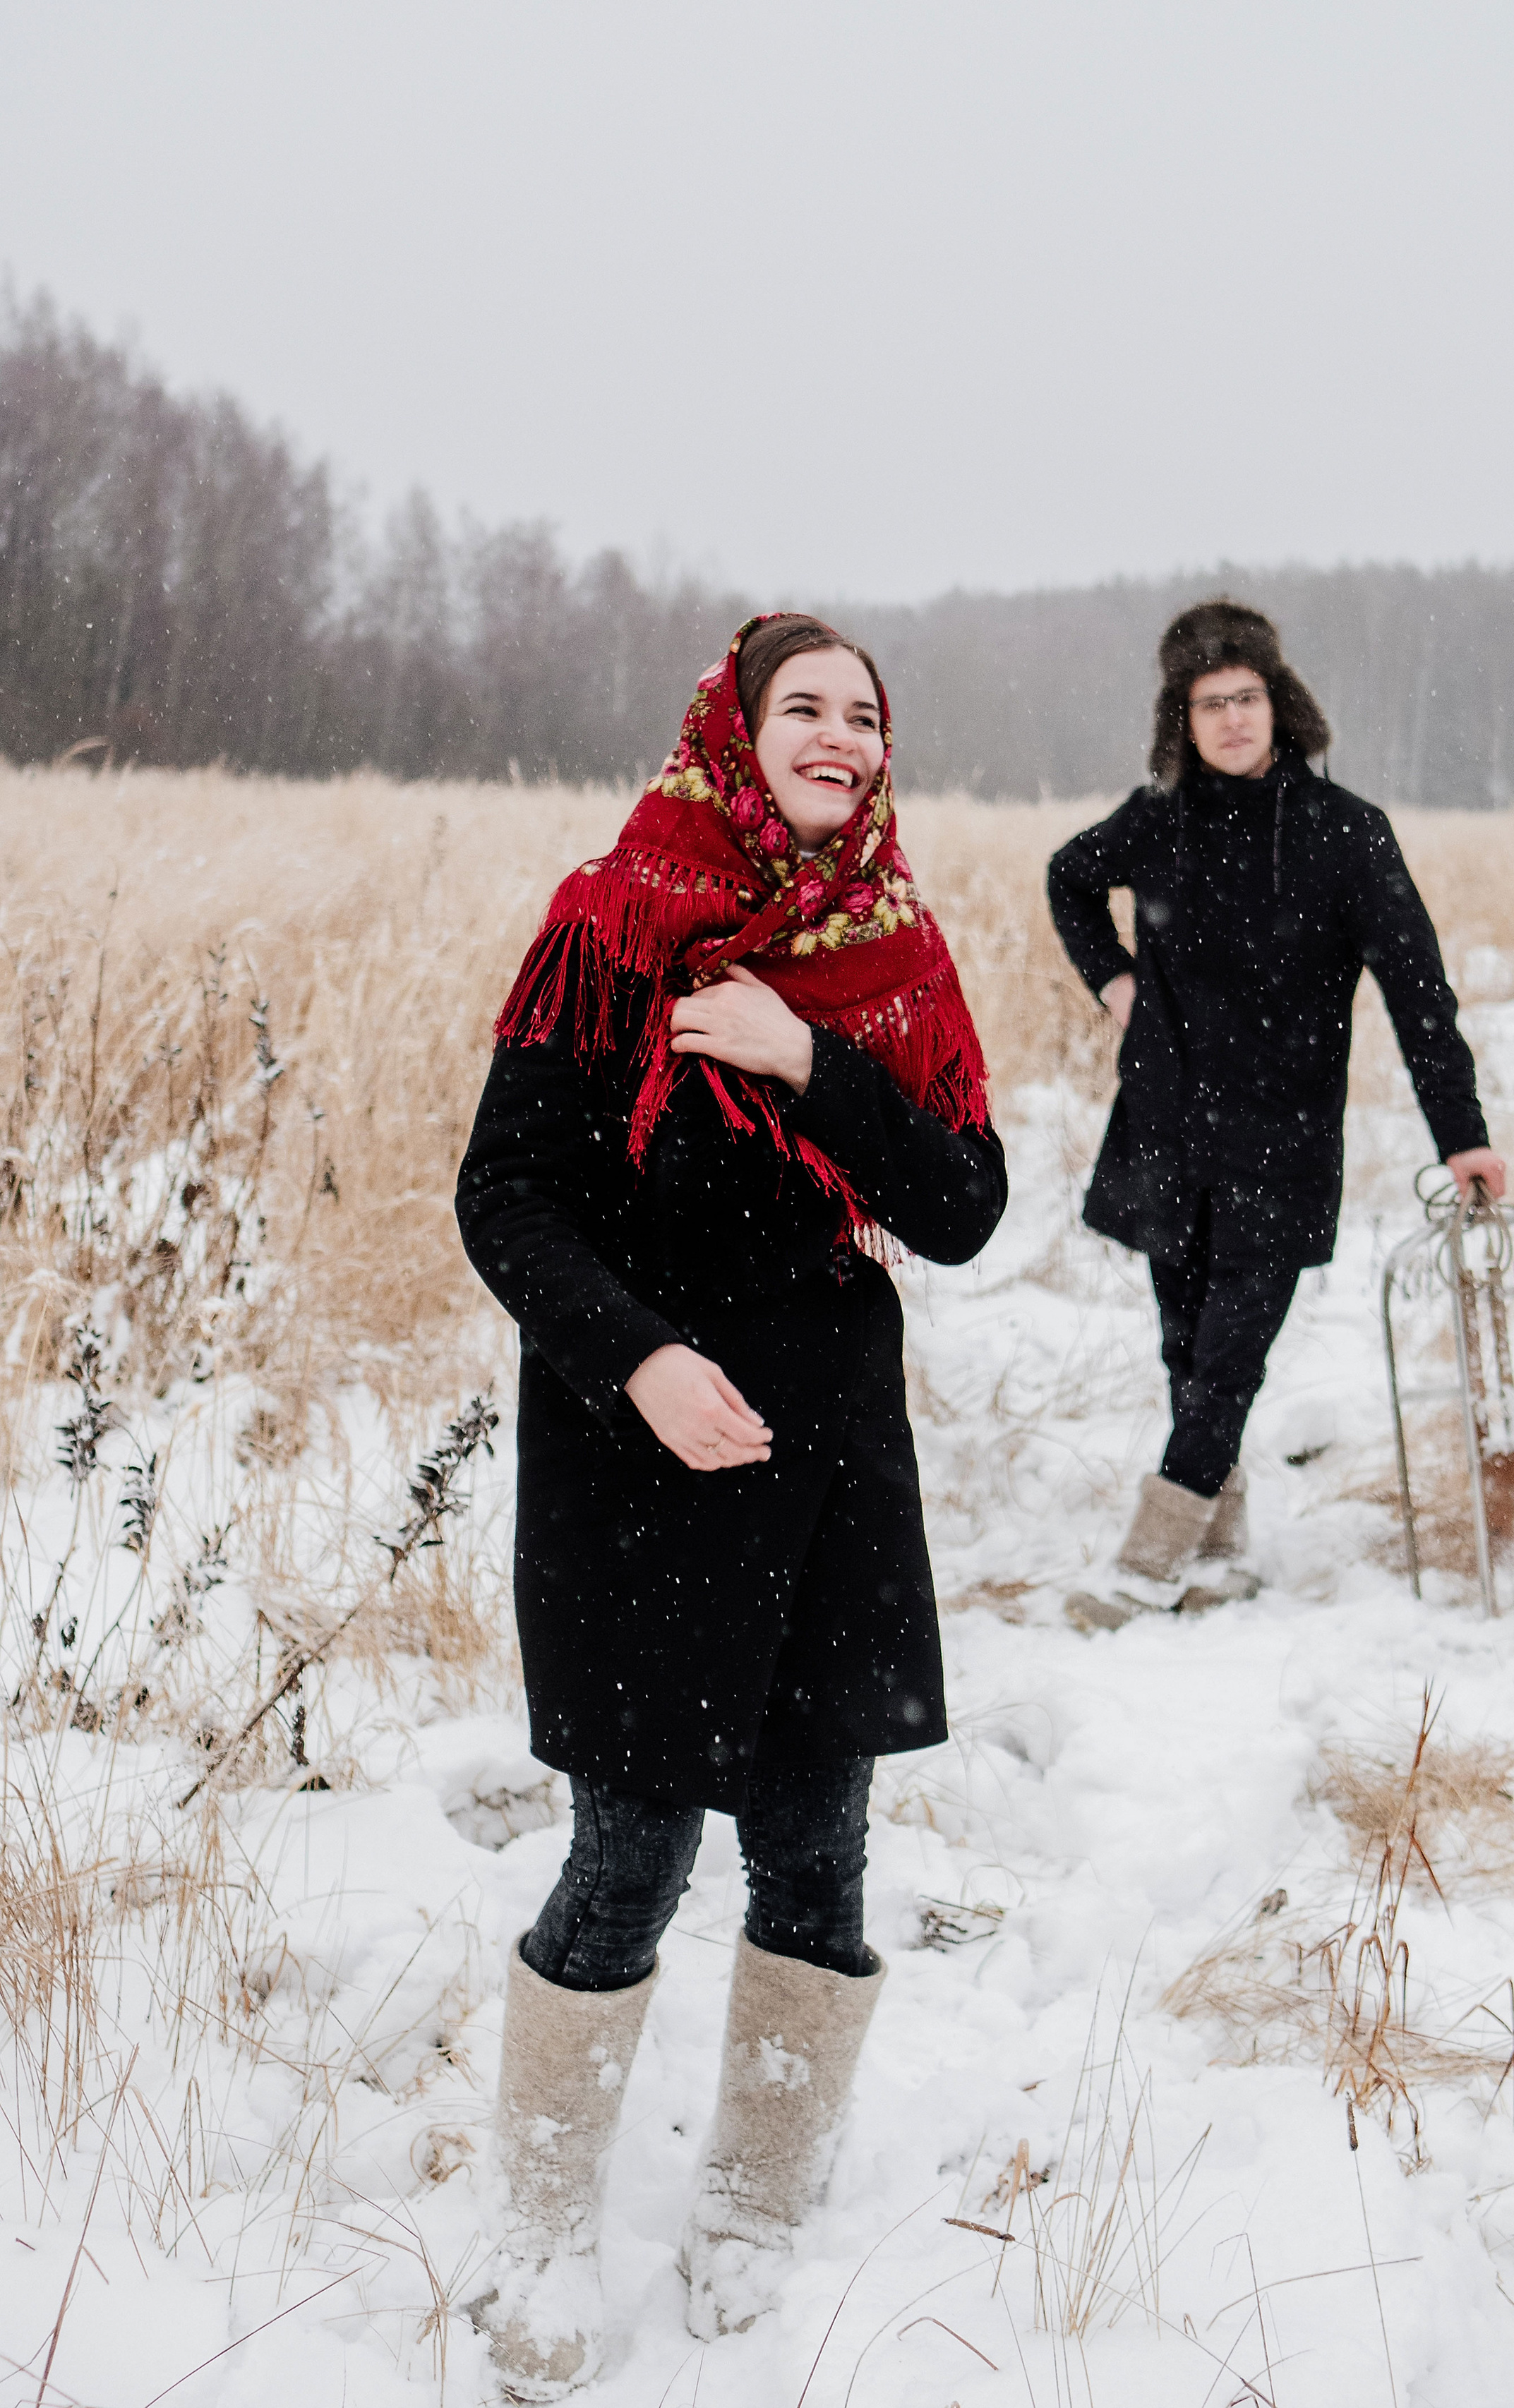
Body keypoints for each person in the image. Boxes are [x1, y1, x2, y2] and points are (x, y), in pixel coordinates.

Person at [455, 613, 1005, 2387]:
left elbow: (961, 1205)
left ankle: (757, 2202)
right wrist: (638, 1358)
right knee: (628, 1854)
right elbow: (507, 1196)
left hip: (831, 1454)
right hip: (640, 1452)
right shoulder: (614, 919)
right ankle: (540, 2223)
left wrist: (804, 1058)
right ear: (732, 733)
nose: (839, 737)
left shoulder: (895, 954)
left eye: (865, 714)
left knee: (817, 1843)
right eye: (805, 708)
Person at [1048, 598, 1503, 1630]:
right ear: (1184, 720)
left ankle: (1146, 1563)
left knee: (1227, 1361)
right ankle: (1220, 1548)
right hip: (1167, 1128)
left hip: (1283, 1141)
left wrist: (1462, 1132)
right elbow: (1070, 878)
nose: (1233, 718)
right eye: (1210, 703)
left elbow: (1418, 994)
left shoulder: (1348, 836)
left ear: (1279, 704)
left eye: (1247, 696)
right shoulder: (1155, 821)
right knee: (1184, 1350)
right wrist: (1116, 983)